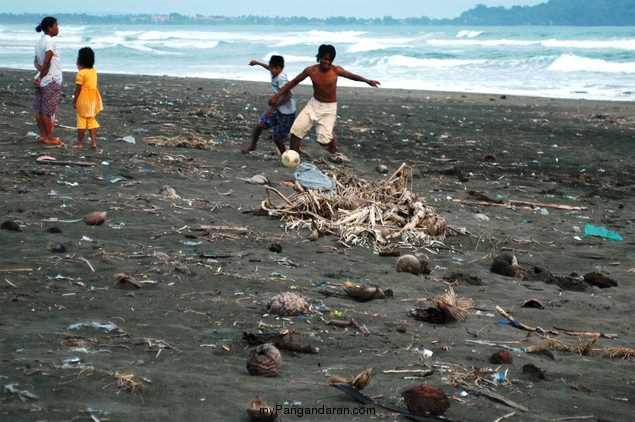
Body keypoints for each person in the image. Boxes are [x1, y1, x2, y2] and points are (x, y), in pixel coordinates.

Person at [269, 44, 380, 154]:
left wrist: (369, 81)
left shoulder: (336, 71)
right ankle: (294, 157)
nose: (327, 62)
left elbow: (352, 76)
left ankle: (332, 139)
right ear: (320, 57)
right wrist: (277, 95)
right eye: (325, 59)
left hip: (329, 107)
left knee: (323, 141)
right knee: (296, 131)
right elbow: (294, 82)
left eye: (330, 60)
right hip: (314, 104)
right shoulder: (311, 70)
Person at [242, 55, 296, 155]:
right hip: (278, 108)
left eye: (276, 68)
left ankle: (285, 155)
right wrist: (257, 63)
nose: (273, 70)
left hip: (287, 112)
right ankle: (253, 145)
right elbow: (269, 67)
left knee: (277, 138)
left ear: (281, 68)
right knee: (260, 125)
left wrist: (273, 107)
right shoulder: (273, 72)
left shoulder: (282, 79)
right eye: (272, 67)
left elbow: (288, 95)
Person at [33, 16, 63, 146]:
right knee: (47, 111)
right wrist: (43, 71)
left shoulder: (39, 42)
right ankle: (49, 138)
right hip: (50, 79)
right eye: (56, 26)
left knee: (39, 109)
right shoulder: (49, 42)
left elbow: (35, 61)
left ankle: (43, 135)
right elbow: (47, 58)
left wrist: (40, 72)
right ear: (49, 28)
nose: (57, 28)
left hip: (40, 79)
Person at [73, 47, 103, 149]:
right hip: (93, 98)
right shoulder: (94, 70)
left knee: (81, 120)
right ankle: (94, 142)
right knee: (91, 119)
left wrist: (74, 101)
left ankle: (80, 143)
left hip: (83, 99)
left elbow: (78, 89)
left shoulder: (81, 74)